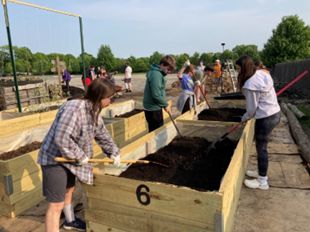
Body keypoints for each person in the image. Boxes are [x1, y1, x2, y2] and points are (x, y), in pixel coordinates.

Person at [38, 79, 121, 232]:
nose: (111, 100)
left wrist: (113, 152)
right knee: (55, 204)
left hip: (70, 158)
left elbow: (101, 133)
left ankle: (70, 220)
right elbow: (62, 137)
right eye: (109, 97)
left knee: (69, 189)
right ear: (99, 96)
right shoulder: (75, 108)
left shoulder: (94, 110)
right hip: (55, 159)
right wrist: (79, 155)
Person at [236, 55, 281, 190]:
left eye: (238, 68)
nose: (237, 71)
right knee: (261, 146)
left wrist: (243, 119)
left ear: (244, 68)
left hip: (265, 118)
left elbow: (251, 110)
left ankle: (262, 182)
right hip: (275, 113)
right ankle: (260, 171)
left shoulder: (250, 84)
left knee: (261, 148)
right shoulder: (261, 73)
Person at [143, 55, 176, 132]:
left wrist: (163, 104)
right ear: (162, 65)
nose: (169, 72)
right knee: (157, 132)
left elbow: (160, 91)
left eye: (171, 70)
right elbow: (156, 94)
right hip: (153, 108)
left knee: (155, 130)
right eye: (168, 69)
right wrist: (165, 105)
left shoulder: (158, 73)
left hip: (155, 106)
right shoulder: (156, 75)